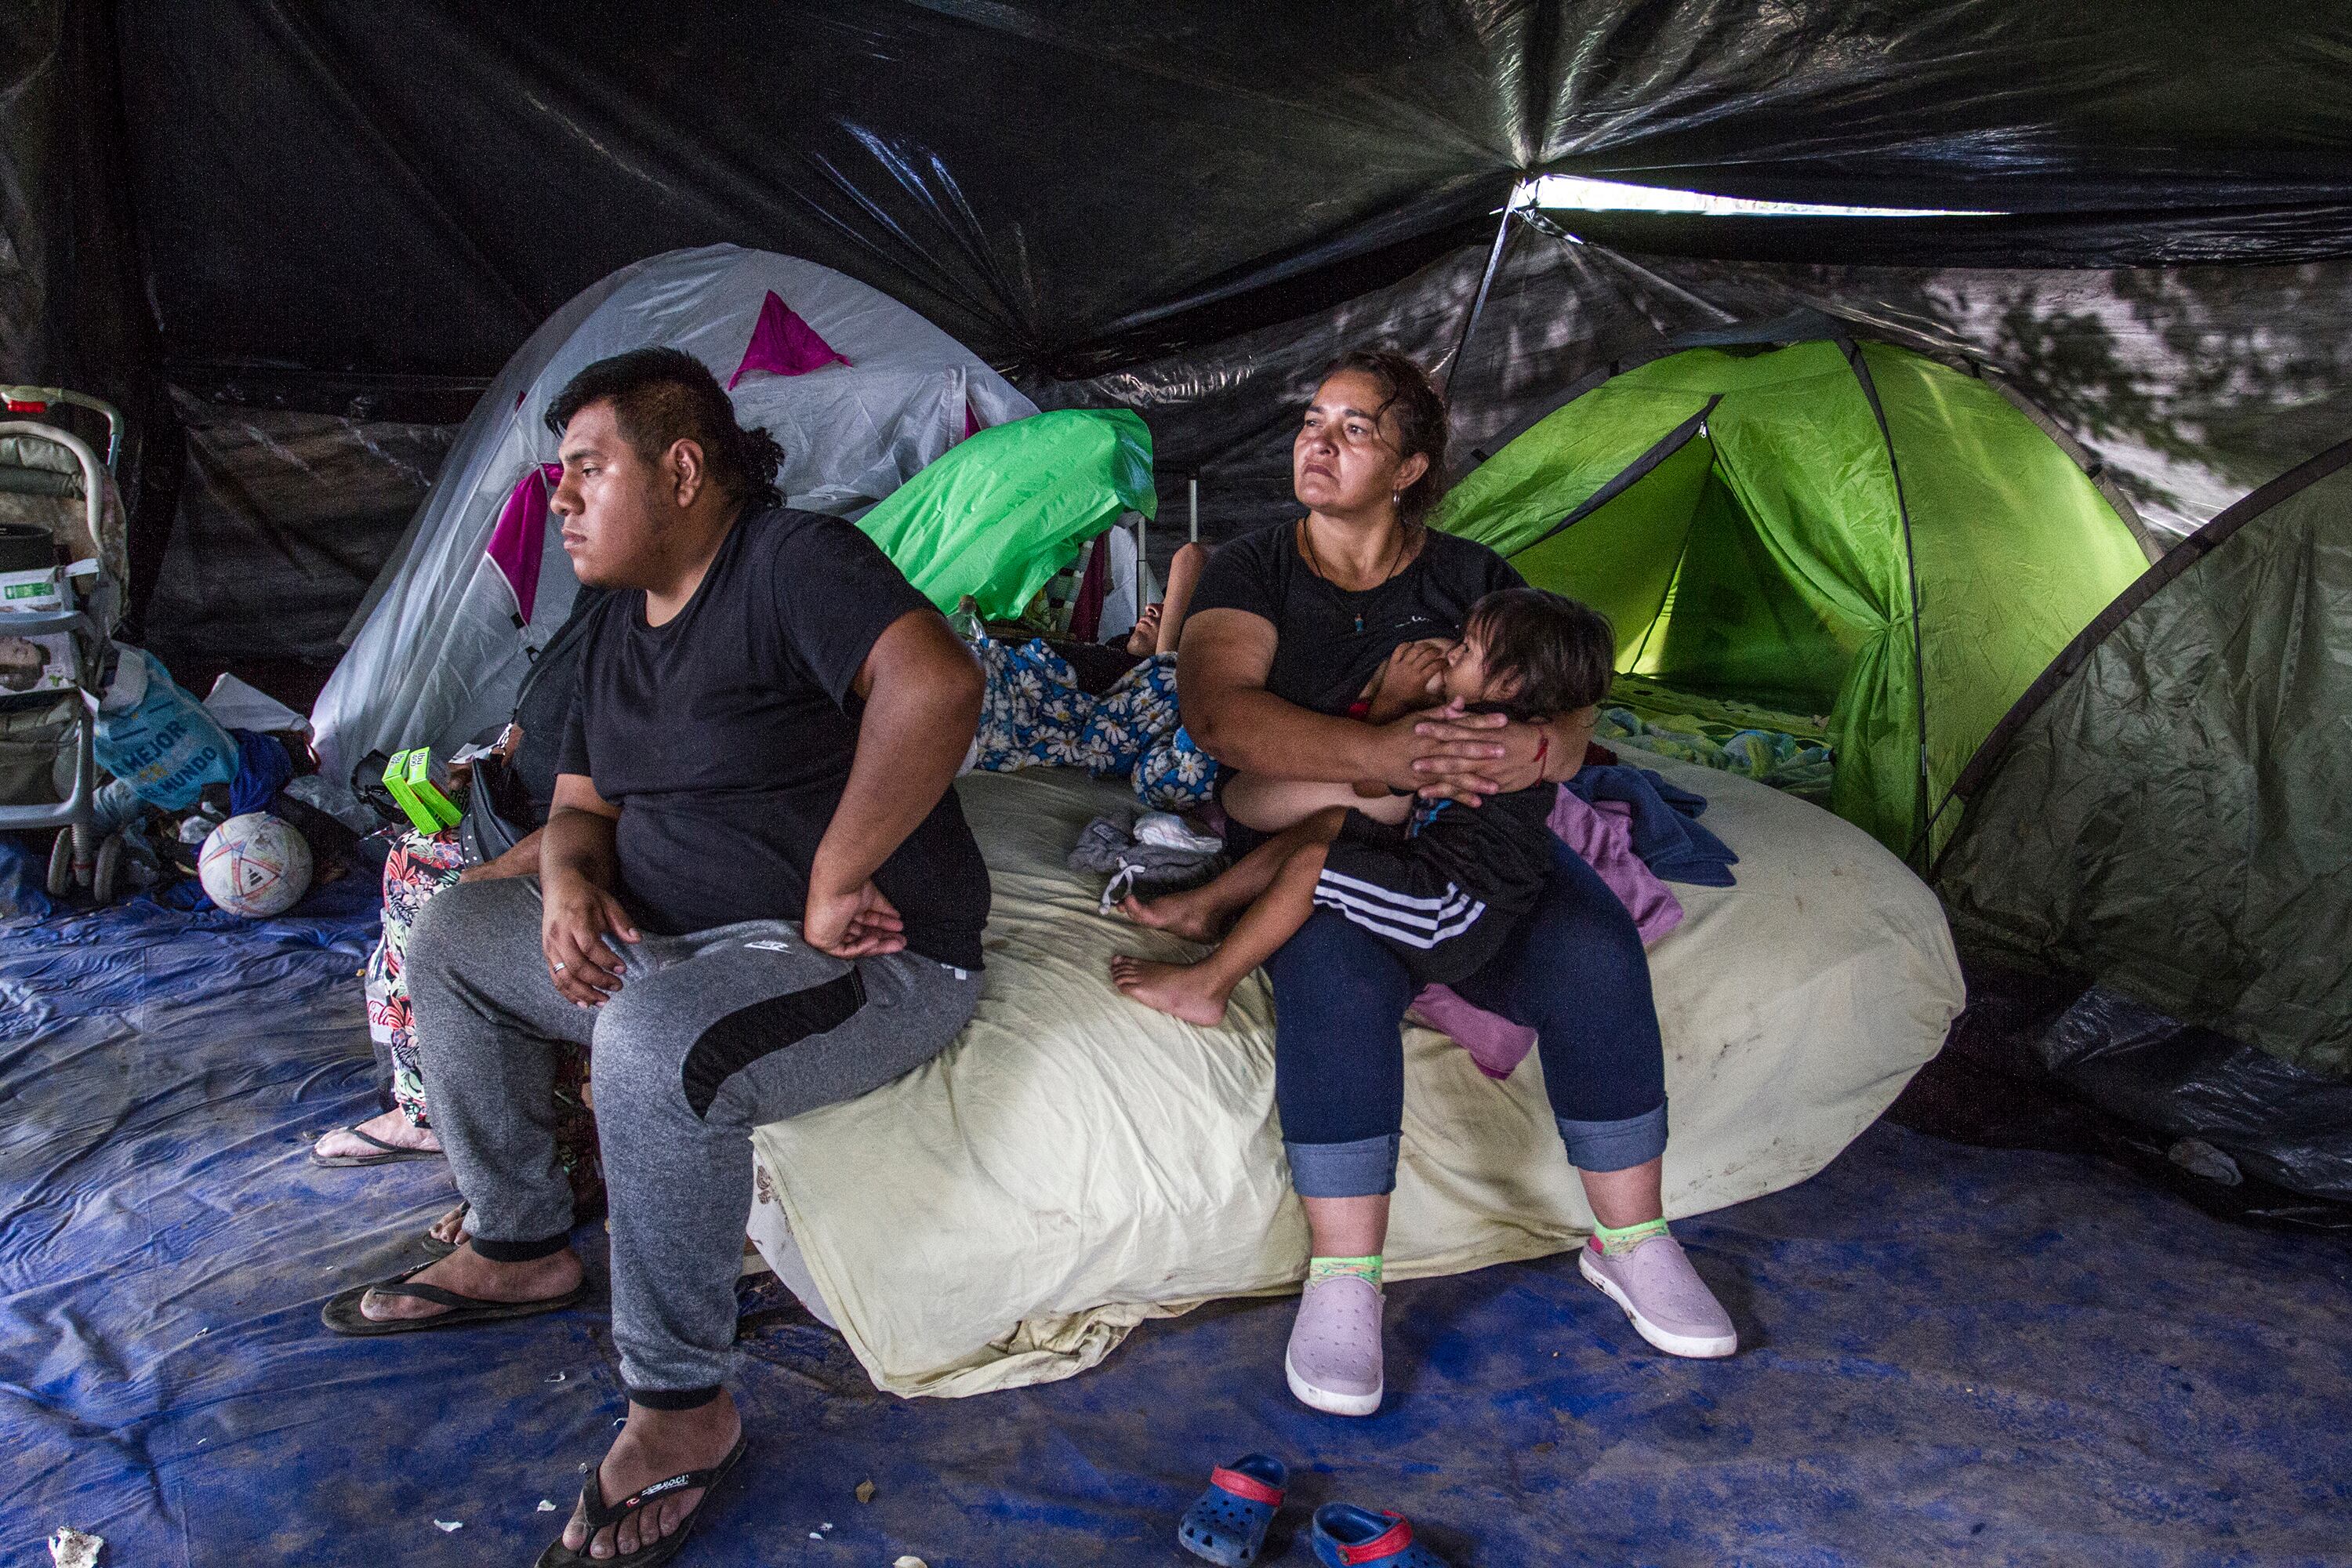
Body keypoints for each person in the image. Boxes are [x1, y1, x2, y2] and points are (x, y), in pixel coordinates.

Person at [322, 347, 990, 1566]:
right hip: (675, 944)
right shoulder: (616, 625)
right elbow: (578, 802)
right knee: (458, 935)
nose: (560, 500)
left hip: (852, 958)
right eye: (558, 477)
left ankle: (683, 1412)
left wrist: (840, 873)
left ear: (682, 470)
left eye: (585, 470)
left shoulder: (792, 561)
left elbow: (937, 685)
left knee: (650, 1044)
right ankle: (519, 1241)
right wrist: (571, 882)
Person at [1175, 347, 1737, 1419]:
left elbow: (1565, 703)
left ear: (1409, 466)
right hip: (1331, 819)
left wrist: (1539, 757)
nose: (1317, 440)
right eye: (1312, 418)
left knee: (1590, 941)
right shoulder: (1257, 569)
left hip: (1469, 834)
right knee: (1334, 963)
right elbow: (1219, 719)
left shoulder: (1474, 577)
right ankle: (1345, 1280)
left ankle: (1632, 1240)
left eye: (1355, 428)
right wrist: (1391, 752)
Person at [1112, 587, 1614, 1027]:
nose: (1452, 654)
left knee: (1314, 867)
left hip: (1451, 911)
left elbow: (1375, 784)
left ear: (1507, 686)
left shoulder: (1477, 739)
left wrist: (1392, 703)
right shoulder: (1488, 718)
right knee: (1332, 823)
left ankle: (1210, 987)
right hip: (1435, 868)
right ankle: (1206, 908)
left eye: (1467, 650)